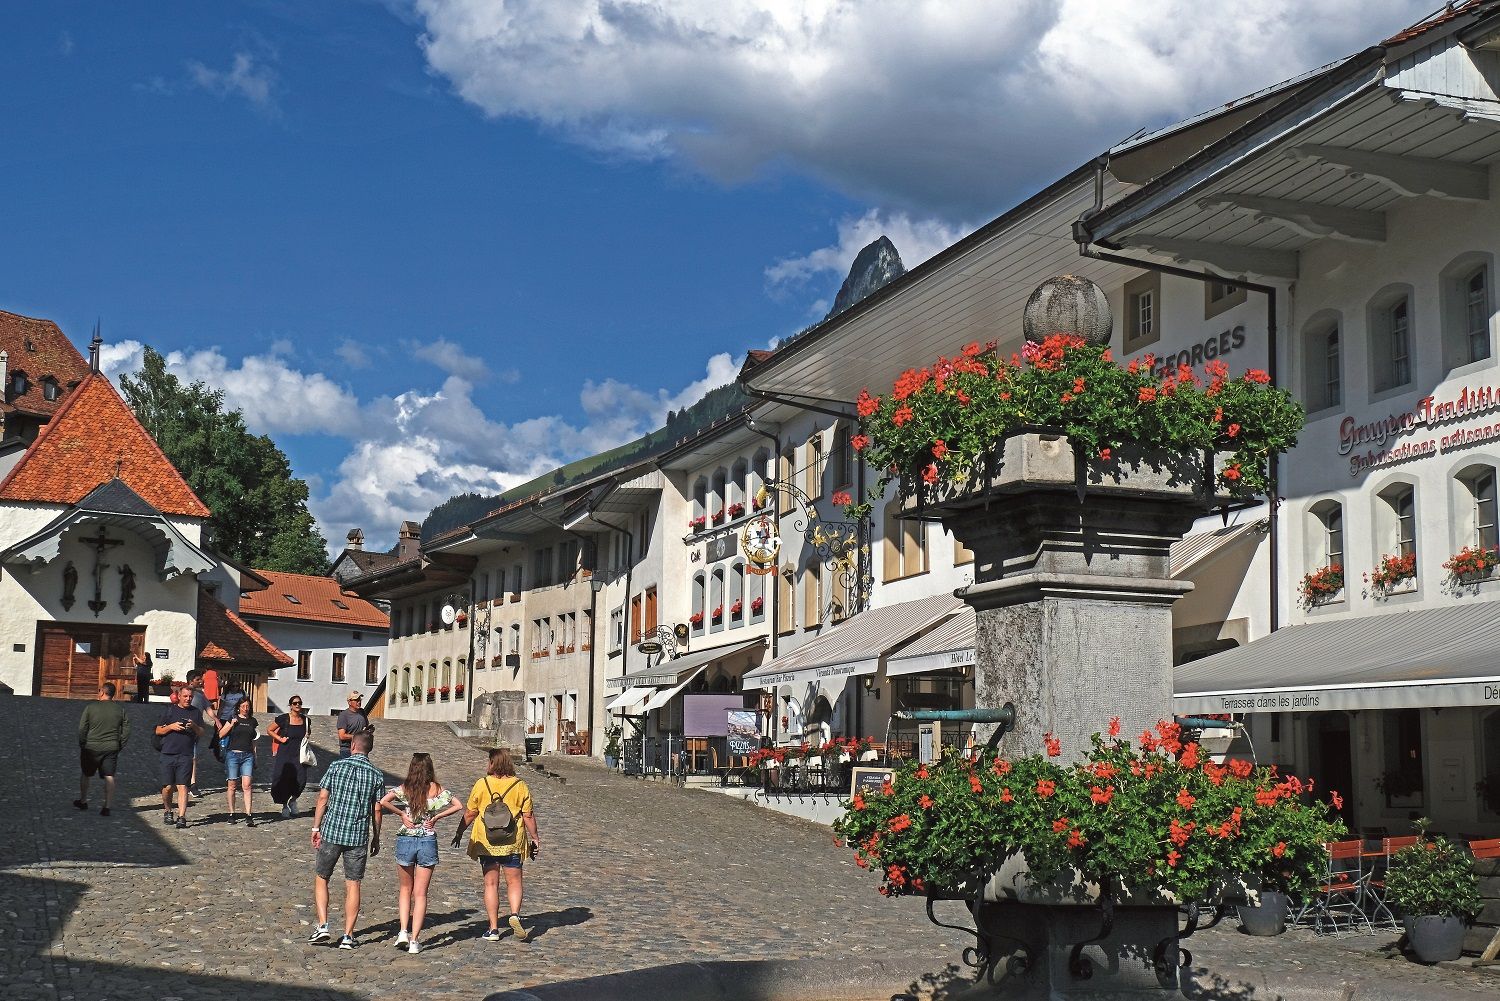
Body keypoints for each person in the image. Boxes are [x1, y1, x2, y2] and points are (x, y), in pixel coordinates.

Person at [377, 753, 463, 954]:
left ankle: (402, 931)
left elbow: (383, 801)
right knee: (421, 893)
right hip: (427, 840)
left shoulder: (406, 787)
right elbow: (458, 805)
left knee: (405, 889)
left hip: (406, 838)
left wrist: (401, 815)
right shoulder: (437, 788)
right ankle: (415, 940)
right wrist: (438, 817)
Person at [457, 747, 542, 942]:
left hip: (487, 842)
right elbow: (527, 815)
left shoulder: (482, 784)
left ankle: (493, 929)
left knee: (491, 884)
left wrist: (460, 831)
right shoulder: (520, 785)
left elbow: (470, 812)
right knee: (514, 882)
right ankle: (514, 914)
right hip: (512, 841)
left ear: (492, 764)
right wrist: (535, 837)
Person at [309, 731, 384, 950]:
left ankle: (323, 925)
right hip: (358, 836)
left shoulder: (336, 767)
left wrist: (316, 826)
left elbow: (323, 797)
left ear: (352, 745)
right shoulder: (376, 775)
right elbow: (377, 810)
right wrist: (376, 836)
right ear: (369, 749)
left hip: (332, 831)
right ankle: (348, 936)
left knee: (322, 877)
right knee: (353, 884)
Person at [75, 682, 130, 816]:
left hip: (91, 747)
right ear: (113, 694)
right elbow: (127, 729)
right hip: (111, 747)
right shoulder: (120, 710)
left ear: (101, 692)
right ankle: (107, 806)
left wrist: (83, 742)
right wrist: (119, 744)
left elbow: (82, 728)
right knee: (109, 776)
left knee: (86, 774)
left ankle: (83, 801)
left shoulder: (90, 707)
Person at [155, 683, 201, 829]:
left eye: (190, 697)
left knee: (183, 786)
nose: (188, 699)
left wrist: (193, 726)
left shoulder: (196, 713)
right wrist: (171, 727)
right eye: (185, 696)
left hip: (186, 755)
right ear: (179, 696)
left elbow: (201, 733)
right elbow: (157, 731)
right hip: (168, 753)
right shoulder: (170, 711)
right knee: (168, 787)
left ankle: (182, 816)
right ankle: (168, 810)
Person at [268, 696, 312, 818]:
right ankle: (284, 805)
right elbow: (269, 730)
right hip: (285, 753)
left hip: (300, 755)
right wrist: (280, 739)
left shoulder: (306, 720)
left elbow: (307, 734)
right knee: (283, 779)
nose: (297, 705)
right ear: (291, 705)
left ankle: (293, 800)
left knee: (301, 780)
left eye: (299, 703)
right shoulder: (283, 719)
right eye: (295, 703)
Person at [218, 697, 259, 826]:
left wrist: (255, 757)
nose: (245, 708)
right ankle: (232, 813)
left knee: (247, 785)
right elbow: (221, 734)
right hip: (233, 755)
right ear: (239, 707)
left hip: (248, 756)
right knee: (232, 785)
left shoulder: (253, 721)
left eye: (247, 706)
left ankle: (248, 814)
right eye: (243, 706)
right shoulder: (233, 719)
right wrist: (231, 725)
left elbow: (254, 741)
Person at [186, 670, 215, 787]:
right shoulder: (184, 693)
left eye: (200, 679)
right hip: (185, 728)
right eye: (198, 679)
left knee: (194, 756)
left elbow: (208, 709)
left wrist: (216, 719)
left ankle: (192, 782)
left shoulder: (201, 695)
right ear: (191, 681)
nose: (201, 681)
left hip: (197, 728)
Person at [336, 692, 370, 758]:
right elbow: (342, 736)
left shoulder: (362, 712)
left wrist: (368, 731)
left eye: (360, 700)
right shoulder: (344, 715)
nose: (359, 702)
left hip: (361, 749)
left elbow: (365, 727)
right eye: (356, 700)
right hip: (347, 750)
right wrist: (358, 736)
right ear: (349, 702)